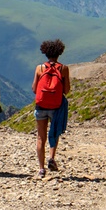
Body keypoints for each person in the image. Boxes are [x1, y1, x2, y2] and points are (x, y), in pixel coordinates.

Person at [32, 39, 70, 178]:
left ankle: (41, 169)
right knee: (54, 132)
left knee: (41, 137)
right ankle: (51, 158)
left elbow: (34, 89)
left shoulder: (39, 68)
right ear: (60, 52)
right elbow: (67, 90)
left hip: (41, 106)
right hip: (56, 107)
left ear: (45, 52)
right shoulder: (64, 68)